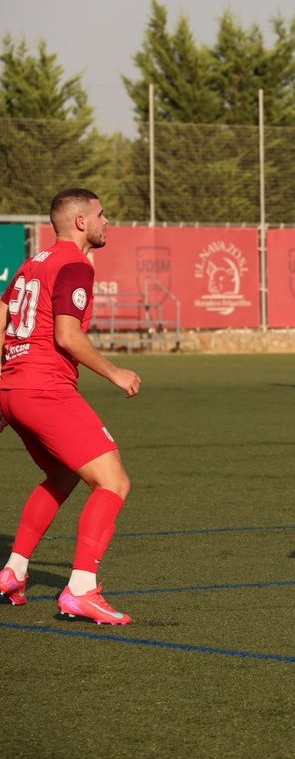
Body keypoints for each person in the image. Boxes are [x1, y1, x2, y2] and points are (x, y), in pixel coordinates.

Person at [0, 188, 141, 625]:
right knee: (113, 481)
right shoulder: (75, 263)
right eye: (102, 215)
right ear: (81, 222)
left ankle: (13, 572)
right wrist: (116, 372)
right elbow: (67, 336)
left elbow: (3, 317)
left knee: (62, 474)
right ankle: (81, 589)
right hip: (44, 388)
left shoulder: (31, 264)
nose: (106, 222)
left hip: (12, 387)